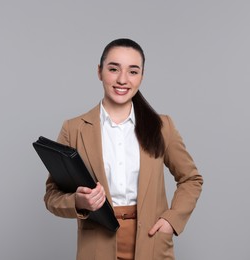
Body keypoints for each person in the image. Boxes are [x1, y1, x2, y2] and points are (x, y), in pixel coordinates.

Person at [43, 38, 203, 260]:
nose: (122, 79)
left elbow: (191, 179)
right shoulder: (74, 129)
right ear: (99, 72)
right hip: (97, 247)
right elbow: (52, 195)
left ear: (142, 77)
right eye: (113, 69)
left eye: (133, 71)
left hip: (151, 242)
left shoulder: (161, 126)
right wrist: (79, 202)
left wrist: (171, 220)